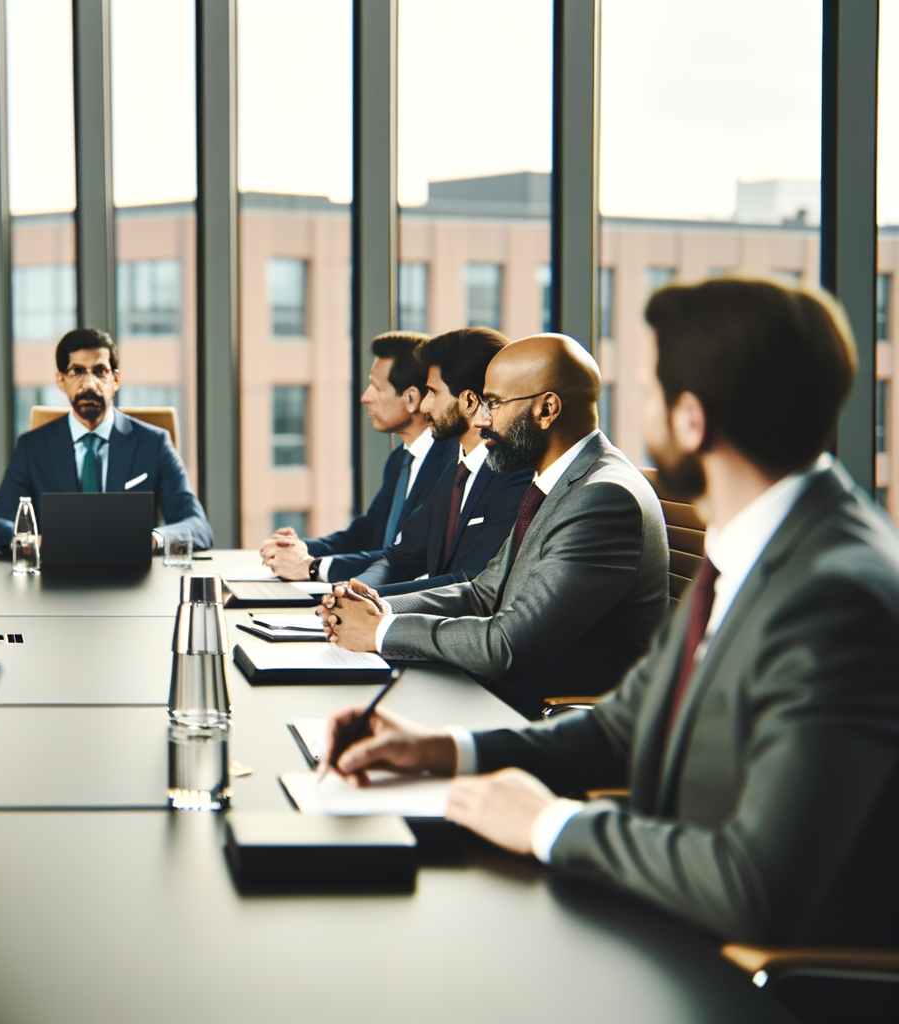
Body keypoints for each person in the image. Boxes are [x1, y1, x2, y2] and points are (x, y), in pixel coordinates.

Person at [318, 278, 899, 947]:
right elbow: (621, 733)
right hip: (671, 913)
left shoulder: (834, 598)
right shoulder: (751, 548)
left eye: (649, 392)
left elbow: (753, 886)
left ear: (689, 419)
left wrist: (548, 825)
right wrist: (442, 750)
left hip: (750, 977)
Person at [320, 334, 668, 716]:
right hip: (505, 690)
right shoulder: (556, 481)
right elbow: (483, 594)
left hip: (551, 712)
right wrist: (377, 607)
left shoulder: (603, 498)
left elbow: (506, 645)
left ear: (547, 409)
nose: (481, 420)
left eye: (495, 403)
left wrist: (379, 631)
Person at [333, 328, 532, 596]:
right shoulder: (453, 473)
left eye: (432, 392)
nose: (424, 406)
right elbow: (400, 557)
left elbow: (470, 581)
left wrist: (374, 600)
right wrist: (356, 590)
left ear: (470, 401)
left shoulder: (515, 478)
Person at [0, 327, 213, 552]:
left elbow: (197, 526)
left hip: (131, 578)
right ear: (61, 380)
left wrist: (152, 539)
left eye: (100, 371)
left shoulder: (154, 444)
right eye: (77, 372)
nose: (90, 384)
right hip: (56, 579)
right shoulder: (32, 448)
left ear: (115, 380)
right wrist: (37, 542)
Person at [259, 331, 456, 582]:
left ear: (411, 398)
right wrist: (300, 548)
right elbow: (366, 532)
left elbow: (406, 558)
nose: (365, 397)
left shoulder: (452, 464)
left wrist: (312, 566)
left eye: (376, 387)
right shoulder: (400, 459)